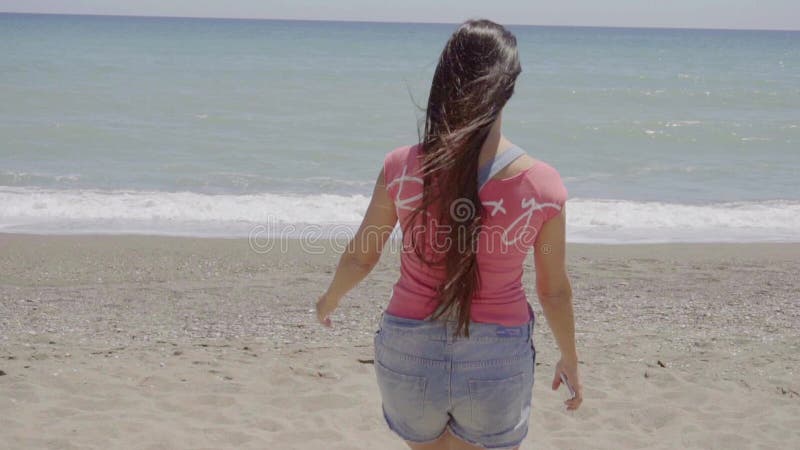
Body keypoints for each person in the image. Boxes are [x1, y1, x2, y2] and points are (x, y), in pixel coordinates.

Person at [315, 19, 582, 450]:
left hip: (408, 349)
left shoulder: (401, 167)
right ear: (508, 88)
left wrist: (330, 298)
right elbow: (553, 290)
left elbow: (362, 256)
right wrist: (570, 357)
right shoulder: (542, 186)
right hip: (497, 359)